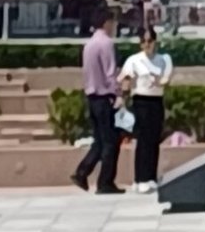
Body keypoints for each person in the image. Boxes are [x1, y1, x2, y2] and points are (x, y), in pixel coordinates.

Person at [70, 11, 125, 195]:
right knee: (111, 141)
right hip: (104, 97)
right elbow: (110, 73)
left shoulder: (89, 44)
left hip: (92, 97)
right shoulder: (106, 43)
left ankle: (82, 172)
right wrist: (119, 93)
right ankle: (105, 182)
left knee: (100, 141)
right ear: (107, 22)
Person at [119, 26, 174, 193]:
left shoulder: (163, 59)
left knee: (153, 139)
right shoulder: (134, 60)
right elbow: (125, 80)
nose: (147, 44)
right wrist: (124, 93)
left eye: (150, 41)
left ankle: (151, 176)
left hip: (156, 100)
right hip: (140, 101)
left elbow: (165, 79)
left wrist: (157, 79)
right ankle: (140, 178)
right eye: (144, 41)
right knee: (142, 140)